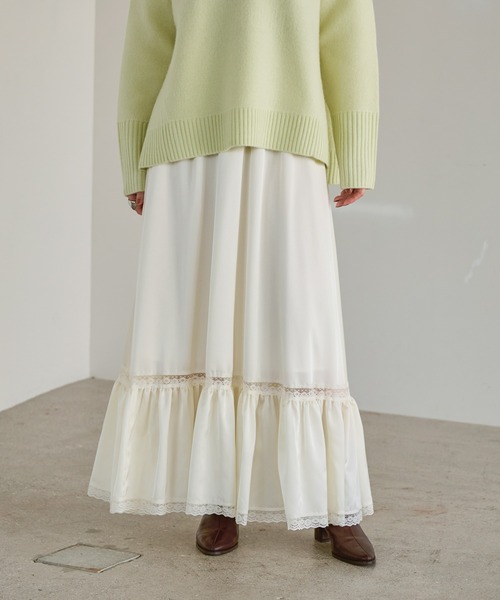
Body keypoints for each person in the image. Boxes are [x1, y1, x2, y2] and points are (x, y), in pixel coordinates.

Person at [88, 0, 380, 567]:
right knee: (204, 327)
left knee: (305, 325)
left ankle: (332, 498)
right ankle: (218, 497)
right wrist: (135, 155)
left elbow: (348, 34)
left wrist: (355, 145)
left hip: (291, 139)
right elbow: (148, 40)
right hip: (187, 144)